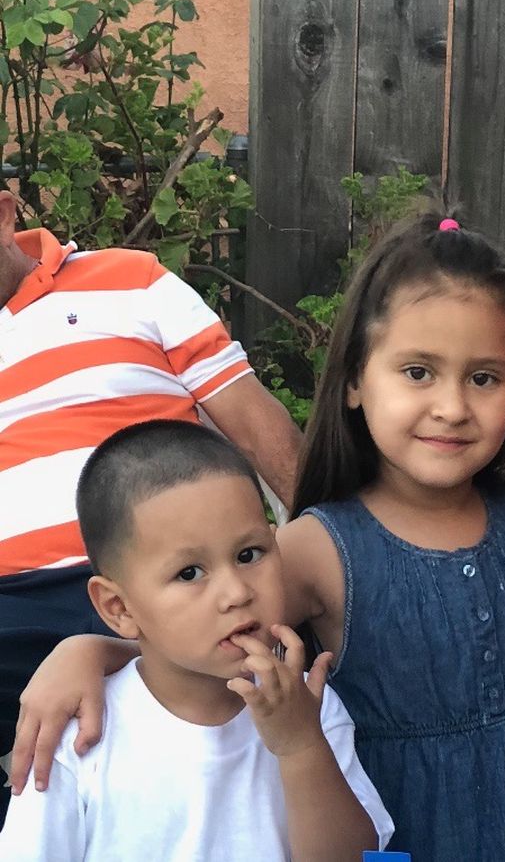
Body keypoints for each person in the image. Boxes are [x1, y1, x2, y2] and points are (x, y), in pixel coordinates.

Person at [12, 211, 505, 859]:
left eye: (484, 377)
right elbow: (199, 630)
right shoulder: (321, 548)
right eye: (418, 372)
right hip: (396, 831)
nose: (452, 407)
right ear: (356, 380)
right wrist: (89, 652)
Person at [0, 189, 302, 823]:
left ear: (3, 215)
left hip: (182, 573)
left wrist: (336, 551)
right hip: (12, 604)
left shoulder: (133, 281)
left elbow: (253, 422)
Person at [0, 420, 392, 861]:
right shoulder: (79, 736)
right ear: (119, 608)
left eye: (249, 555)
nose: (237, 593)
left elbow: (355, 857)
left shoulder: (309, 705)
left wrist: (301, 746)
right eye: (189, 573)